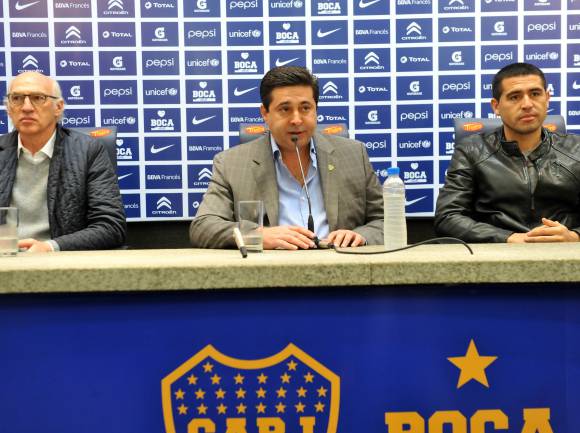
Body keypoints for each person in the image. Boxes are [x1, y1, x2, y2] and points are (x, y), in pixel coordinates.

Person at [190, 66, 383, 249]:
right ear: (265, 113)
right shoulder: (231, 163)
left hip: (342, 265)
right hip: (271, 267)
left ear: (316, 110)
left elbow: (385, 220)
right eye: (285, 109)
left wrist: (361, 236)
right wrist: (257, 235)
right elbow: (204, 226)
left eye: (305, 108)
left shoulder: (354, 154)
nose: (296, 119)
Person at [435, 62, 580, 243]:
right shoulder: (472, 151)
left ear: (547, 98)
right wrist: (508, 238)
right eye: (514, 97)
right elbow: (447, 217)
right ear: (496, 106)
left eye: (535, 94)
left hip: (564, 253)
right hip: (499, 253)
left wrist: (574, 236)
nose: (527, 104)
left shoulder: (576, 149)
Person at [0, 71, 126, 252]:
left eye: (38, 98)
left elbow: (111, 226)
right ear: (8, 108)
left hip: (61, 259)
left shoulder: (88, 151)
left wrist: (50, 247)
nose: (26, 107)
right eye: (17, 98)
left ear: (58, 107)